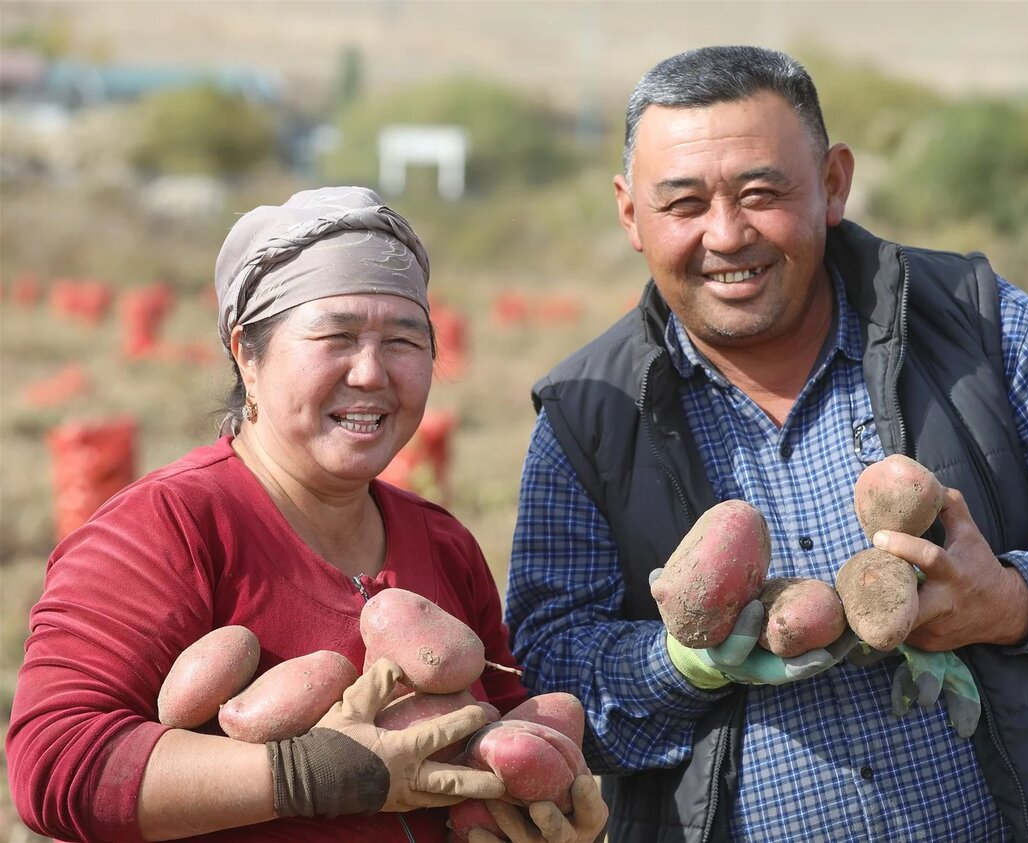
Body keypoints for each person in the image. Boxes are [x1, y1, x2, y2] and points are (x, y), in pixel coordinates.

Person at [504, 45, 1028, 843]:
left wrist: (1010, 600)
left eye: (762, 193)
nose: (726, 235)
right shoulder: (586, 419)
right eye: (683, 204)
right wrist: (681, 661)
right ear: (629, 213)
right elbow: (554, 667)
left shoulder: (979, 322)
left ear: (833, 183)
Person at [7, 186, 607, 843]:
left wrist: (545, 807)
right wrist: (307, 775)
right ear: (248, 356)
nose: (372, 372)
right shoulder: (165, 526)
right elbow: (55, 764)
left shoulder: (444, 542)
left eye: (405, 339)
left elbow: (497, 725)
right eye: (336, 336)